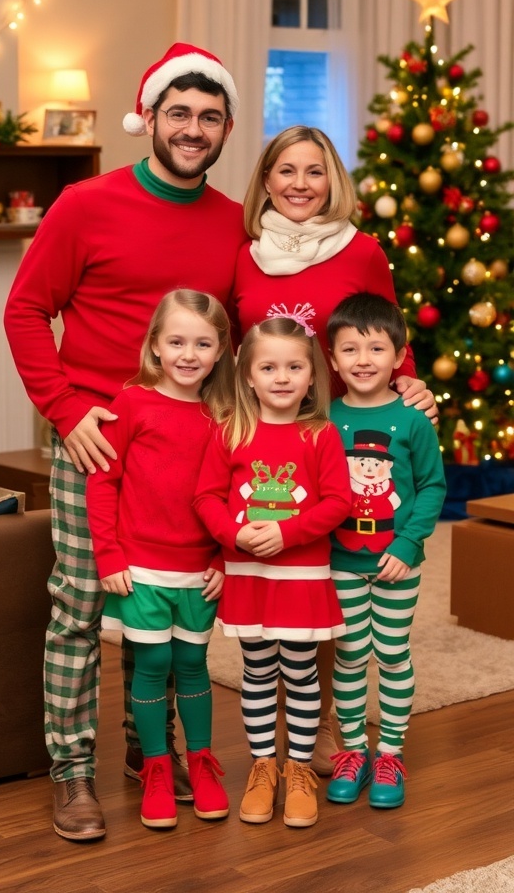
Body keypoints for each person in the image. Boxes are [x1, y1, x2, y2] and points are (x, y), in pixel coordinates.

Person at [3, 43, 247, 841]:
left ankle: (154, 755)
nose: (193, 128)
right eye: (179, 112)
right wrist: (67, 411)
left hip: (188, 447)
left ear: (226, 129)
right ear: (150, 117)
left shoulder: (233, 224)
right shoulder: (84, 204)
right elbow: (25, 311)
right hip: (98, 443)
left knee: (175, 612)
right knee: (81, 607)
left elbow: (253, 331)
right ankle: (73, 772)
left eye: (209, 117)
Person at [233, 125, 438, 776]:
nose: (299, 183)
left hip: (346, 428)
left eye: (314, 171)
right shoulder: (244, 254)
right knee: (289, 573)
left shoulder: (362, 251)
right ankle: (286, 720)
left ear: (333, 182)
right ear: (265, 179)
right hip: (275, 431)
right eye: (286, 170)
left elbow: (388, 330)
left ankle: (326, 727)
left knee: (331, 578)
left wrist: (412, 383)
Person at [194, 315, 352, 828]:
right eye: (269, 367)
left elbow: (337, 502)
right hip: (248, 575)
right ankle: (265, 766)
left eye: (294, 367)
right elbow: (207, 497)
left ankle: (300, 769)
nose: (281, 377)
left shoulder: (320, 434)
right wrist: (232, 534)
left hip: (302, 574)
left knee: (301, 672)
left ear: (312, 376)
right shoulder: (231, 431)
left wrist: (288, 533)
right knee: (258, 672)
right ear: (247, 375)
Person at [86, 289, 233, 829]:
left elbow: (236, 493)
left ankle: (202, 762)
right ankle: (153, 769)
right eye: (176, 341)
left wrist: (223, 560)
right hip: (140, 567)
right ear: (155, 347)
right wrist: (109, 555)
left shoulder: (225, 414)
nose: (188, 354)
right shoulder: (131, 403)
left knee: (193, 664)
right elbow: (104, 482)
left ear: (221, 351)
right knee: (150, 665)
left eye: (202, 342)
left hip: (199, 569)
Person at [325, 292, 446, 809]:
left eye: (376, 349)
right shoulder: (324, 419)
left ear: (399, 356)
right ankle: (353, 751)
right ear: (332, 360)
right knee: (350, 656)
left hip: (398, 562)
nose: (363, 360)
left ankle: (390, 752)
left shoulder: (414, 421)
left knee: (392, 654)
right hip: (341, 561)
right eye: (350, 350)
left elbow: (433, 486)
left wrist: (408, 541)